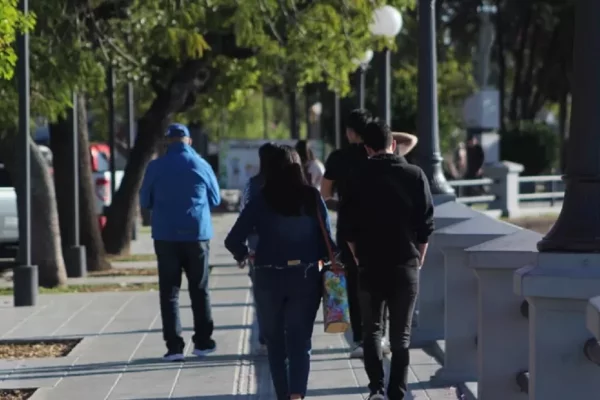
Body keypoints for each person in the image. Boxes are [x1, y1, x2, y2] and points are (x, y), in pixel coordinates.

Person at [225, 145, 333, 400]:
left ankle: (283, 396)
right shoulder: (311, 197)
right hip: (305, 278)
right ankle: (297, 396)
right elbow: (327, 238)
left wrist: (245, 256)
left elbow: (233, 240)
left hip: (268, 277)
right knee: (300, 342)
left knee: (275, 344)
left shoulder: (261, 199)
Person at [340, 120, 434, 400]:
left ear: (367, 149)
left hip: (369, 264)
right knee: (401, 337)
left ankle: (375, 389)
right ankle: (396, 392)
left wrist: (357, 256)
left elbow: (346, 228)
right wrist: (419, 258)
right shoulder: (414, 174)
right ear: (393, 145)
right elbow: (426, 224)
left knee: (371, 332)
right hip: (405, 262)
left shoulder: (355, 178)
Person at [320, 109, 419, 359]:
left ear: (350, 132)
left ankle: (361, 339)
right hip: (387, 226)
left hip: (352, 227)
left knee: (357, 283)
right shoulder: (383, 153)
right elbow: (412, 140)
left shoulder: (338, 158)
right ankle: (382, 335)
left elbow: (324, 193)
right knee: (386, 282)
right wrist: (382, 135)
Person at [139, 123, 221, 361]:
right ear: (189, 141)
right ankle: (203, 343)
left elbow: (145, 200)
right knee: (200, 289)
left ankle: (174, 346)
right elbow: (215, 198)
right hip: (197, 234)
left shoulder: (155, 166)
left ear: (167, 142)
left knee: (169, 292)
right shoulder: (201, 164)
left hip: (165, 236)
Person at [239, 142, 279, 353]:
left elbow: (244, 214)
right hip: (284, 244)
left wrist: (242, 250)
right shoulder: (288, 183)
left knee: (262, 291)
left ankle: (265, 337)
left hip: (257, 244)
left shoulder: (253, 184)